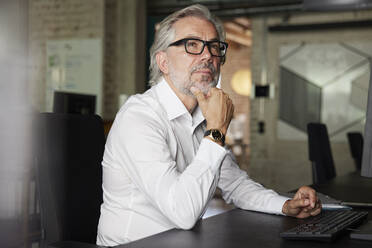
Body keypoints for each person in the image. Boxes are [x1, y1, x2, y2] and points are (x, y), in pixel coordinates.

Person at [96, 4, 321, 246]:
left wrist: (286, 206)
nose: (208, 56)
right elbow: (182, 213)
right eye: (192, 45)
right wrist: (216, 131)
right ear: (163, 62)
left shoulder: (200, 118)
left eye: (214, 46)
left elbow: (234, 185)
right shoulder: (139, 117)